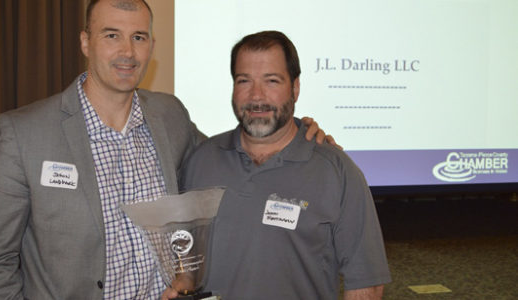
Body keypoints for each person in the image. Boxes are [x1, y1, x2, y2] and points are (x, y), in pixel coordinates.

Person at [0, 1, 332, 299]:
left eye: (139, 37)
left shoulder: (169, 115)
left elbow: (232, 155)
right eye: (112, 35)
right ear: (85, 42)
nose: (127, 51)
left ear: (151, 47)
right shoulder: (25, 132)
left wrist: (296, 133)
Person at [164, 31, 391, 300]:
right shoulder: (200, 161)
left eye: (271, 81)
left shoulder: (337, 171)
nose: (256, 96)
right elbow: (186, 257)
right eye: (244, 80)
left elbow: (366, 284)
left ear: (295, 88)